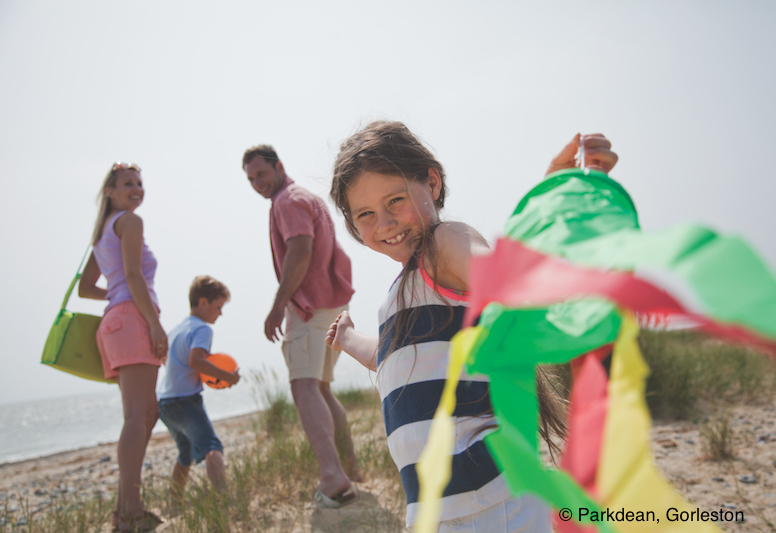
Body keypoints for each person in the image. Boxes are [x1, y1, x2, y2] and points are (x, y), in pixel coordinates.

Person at [325, 122, 618, 531]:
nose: (385, 223)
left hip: (492, 495)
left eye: (395, 200)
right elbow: (392, 359)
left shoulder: (444, 245)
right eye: (366, 215)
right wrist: (350, 339)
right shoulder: (399, 295)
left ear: (432, 182)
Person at [242, 145, 362, 508]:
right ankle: (351, 469)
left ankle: (332, 476)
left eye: (261, 174)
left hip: (309, 308)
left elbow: (300, 249)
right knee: (322, 389)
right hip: (333, 303)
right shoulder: (304, 196)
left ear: (279, 166)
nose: (257, 183)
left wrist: (279, 306)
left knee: (304, 387)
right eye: (250, 179)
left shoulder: (286, 200)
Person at [78, 162, 167, 532]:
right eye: (127, 183)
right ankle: (131, 512)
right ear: (110, 191)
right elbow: (132, 275)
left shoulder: (102, 231)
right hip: (132, 319)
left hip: (115, 321)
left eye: (139, 183)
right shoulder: (129, 222)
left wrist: (116, 297)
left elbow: (87, 288)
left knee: (146, 413)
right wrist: (153, 322)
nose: (136, 188)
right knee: (138, 415)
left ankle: (123, 510)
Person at [157, 275, 240, 500]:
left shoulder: (176, 329)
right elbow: (197, 361)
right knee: (211, 446)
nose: (220, 313)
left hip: (164, 403)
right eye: (218, 307)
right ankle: (225, 500)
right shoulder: (202, 329)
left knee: (186, 452)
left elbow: (167, 359)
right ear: (203, 303)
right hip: (184, 400)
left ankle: (174, 500)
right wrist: (228, 377)